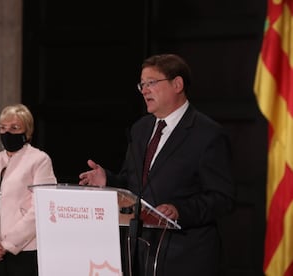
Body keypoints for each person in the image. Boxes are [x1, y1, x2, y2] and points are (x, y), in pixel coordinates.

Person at [79, 54, 235, 276]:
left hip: (186, 257)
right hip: (140, 255)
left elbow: (222, 197)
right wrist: (109, 180)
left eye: (151, 83)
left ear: (177, 84)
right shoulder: (140, 129)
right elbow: (133, 184)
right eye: (142, 84)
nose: (144, 90)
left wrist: (180, 210)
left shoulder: (207, 134)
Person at [0, 103, 57, 276]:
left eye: (14, 127)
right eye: (3, 128)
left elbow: (41, 208)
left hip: (25, 250)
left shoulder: (40, 160)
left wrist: (9, 243)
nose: (7, 132)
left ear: (28, 131)